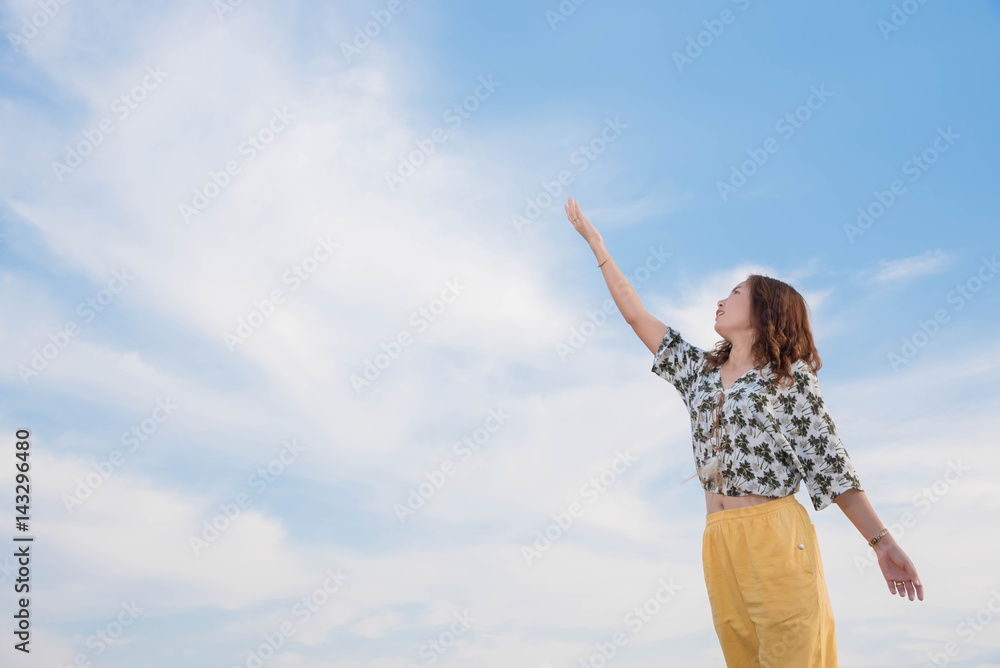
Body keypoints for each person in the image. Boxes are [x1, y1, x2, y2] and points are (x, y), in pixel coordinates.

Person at [564, 196, 924, 667]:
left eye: (735, 293)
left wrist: (883, 543)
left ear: (766, 309)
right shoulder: (698, 373)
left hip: (774, 533)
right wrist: (599, 247)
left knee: (795, 656)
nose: (722, 299)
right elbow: (636, 314)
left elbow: (830, 465)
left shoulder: (788, 377)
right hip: (718, 537)